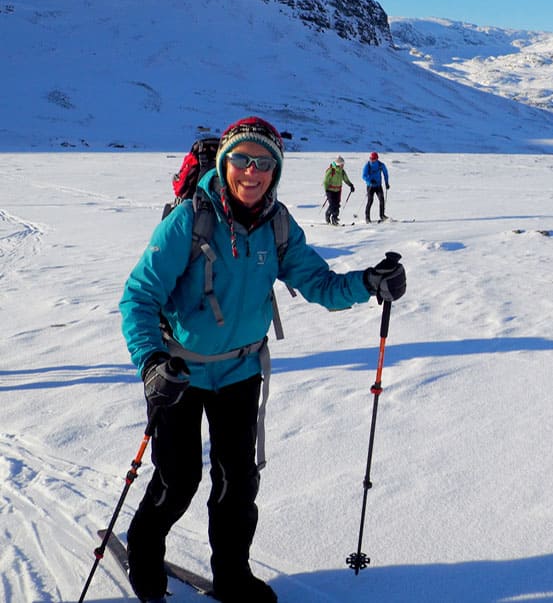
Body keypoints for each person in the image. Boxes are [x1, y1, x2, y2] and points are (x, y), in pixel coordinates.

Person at [119, 117, 406, 603]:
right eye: (241, 159)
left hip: (241, 370)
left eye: (264, 163)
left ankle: (232, 574)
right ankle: (144, 553)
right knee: (178, 477)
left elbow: (320, 284)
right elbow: (139, 297)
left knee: (237, 482)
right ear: (225, 161)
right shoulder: (190, 219)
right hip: (179, 371)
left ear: (276, 170)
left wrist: (367, 282)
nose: (252, 172)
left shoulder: (278, 224)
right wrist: (151, 362)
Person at [322, 155, 355, 225]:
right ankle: (327, 214)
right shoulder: (331, 170)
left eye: (343, 164)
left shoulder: (342, 171)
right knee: (332, 204)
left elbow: (346, 179)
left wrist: (350, 185)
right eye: (342, 164)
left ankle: (335, 217)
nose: (343, 165)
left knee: (337, 205)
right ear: (338, 164)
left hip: (338, 191)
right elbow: (325, 181)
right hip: (330, 191)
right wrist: (326, 190)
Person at [362, 151, 390, 223]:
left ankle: (382, 215)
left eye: (373, 159)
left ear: (377, 158)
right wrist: (370, 180)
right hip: (370, 186)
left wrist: (386, 183)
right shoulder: (367, 165)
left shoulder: (381, 165)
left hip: (378, 186)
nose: (372, 160)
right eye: (371, 158)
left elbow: (385, 174)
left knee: (381, 200)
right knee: (370, 201)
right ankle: (367, 217)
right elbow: (364, 176)